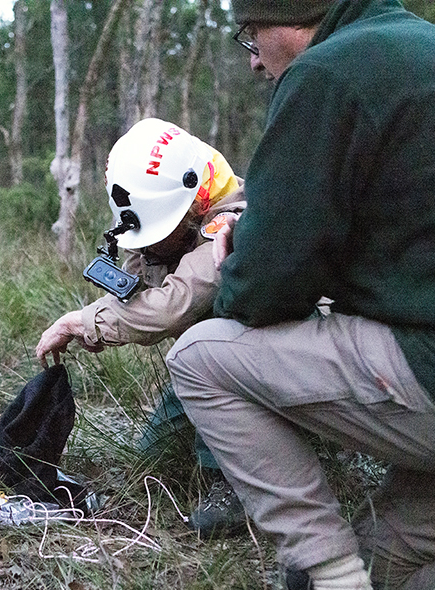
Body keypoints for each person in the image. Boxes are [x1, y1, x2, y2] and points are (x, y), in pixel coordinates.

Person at [165, 1, 435, 589]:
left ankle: (331, 572)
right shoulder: (419, 45)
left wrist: (241, 255)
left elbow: (266, 286)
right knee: (389, 565)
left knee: (200, 358)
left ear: (289, 19)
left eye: (250, 36)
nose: (255, 61)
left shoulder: (327, 74)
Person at [36, 117, 248, 537]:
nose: (148, 244)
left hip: (263, 348)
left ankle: (235, 484)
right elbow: (143, 286)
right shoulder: (158, 207)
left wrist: (87, 322)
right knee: (152, 456)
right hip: (202, 355)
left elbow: (176, 304)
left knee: (221, 317)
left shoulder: (233, 219)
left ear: (189, 208)